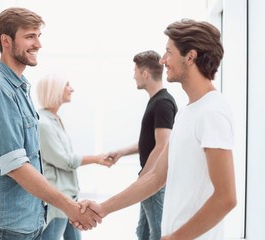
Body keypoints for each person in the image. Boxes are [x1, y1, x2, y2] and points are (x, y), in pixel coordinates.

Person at [77, 19, 237, 240]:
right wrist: (102, 208)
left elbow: (226, 198)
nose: (163, 60)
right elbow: (155, 177)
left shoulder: (213, 112)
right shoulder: (186, 112)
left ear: (190, 56)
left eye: (168, 52)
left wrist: (173, 238)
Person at [0, 7, 100, 240]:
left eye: (39, 36)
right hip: (7, 227)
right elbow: (17, 167)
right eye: (30, 36)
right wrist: (70, 207)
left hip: (29, 221)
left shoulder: (19, 89)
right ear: (6, 40)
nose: (38, 44)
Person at [107, 50, 177, 240]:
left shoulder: (162, 103)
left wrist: (143, 178)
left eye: (135, 71)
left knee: (157, 232)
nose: (134, 76)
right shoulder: (156, 101)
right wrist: (121, 152)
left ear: (145, 74)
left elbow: (162, 146)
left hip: (155, 180)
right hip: (150, 177)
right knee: (143, 232)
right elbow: (149, 142)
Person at [36, 73, 114, 240]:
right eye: (67, 85)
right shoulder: (44, 124)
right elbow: (64, 160)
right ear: (54, 90)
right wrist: (95, 159)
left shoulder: (55, 120)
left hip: (69, 197)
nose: (72, 89)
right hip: (58, 201)